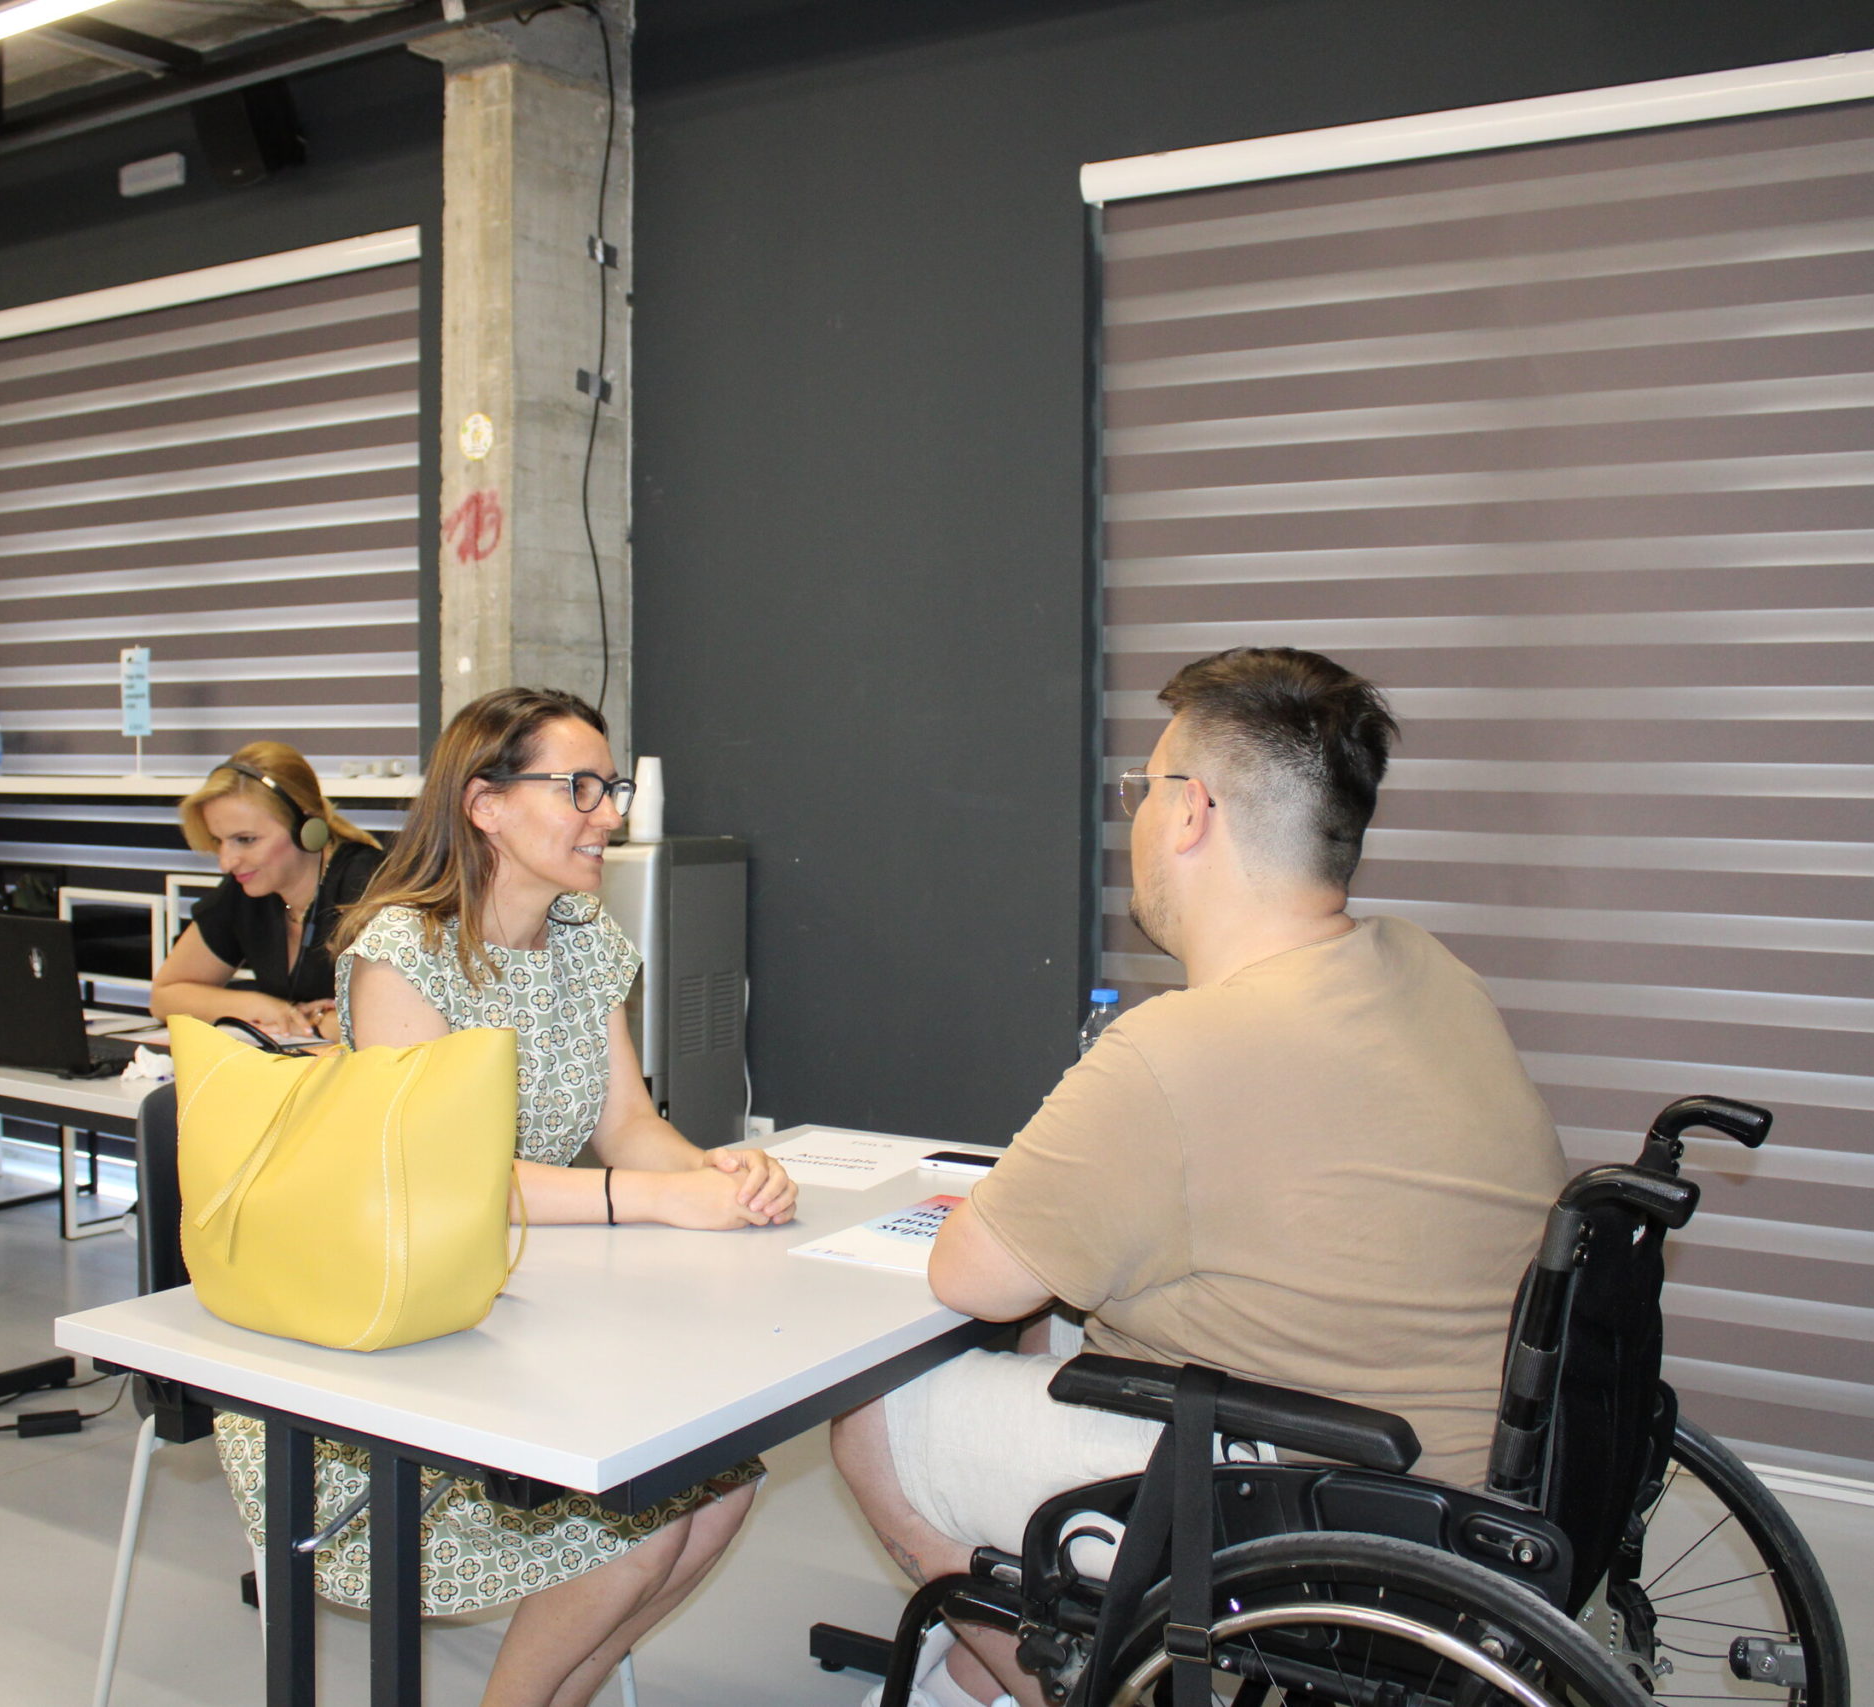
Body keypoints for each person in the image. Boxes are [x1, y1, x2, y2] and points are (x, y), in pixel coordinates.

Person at [831, 647, 1570, 1707]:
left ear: (1189, 811)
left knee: (878, 1421)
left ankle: (1056, 1687)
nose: (1134, 814)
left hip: (1314, 1502)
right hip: (1480, 1478)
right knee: (1059, 1338)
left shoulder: (1176, 1050)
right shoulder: (1427, 967)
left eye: (1143, 787)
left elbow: (972, 1277)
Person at [211, 687, 799, 1707]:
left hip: (527, 1307)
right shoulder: (401, 955)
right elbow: (452, 1185)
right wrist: (656, 1201)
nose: (606, 814)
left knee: (718, 1491)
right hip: (399, 1353)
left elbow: (627, 1122)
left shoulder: (581, 934)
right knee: (646, 1516)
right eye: (578, 788)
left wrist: (714, 1173)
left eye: (609, 788)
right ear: (484, 805)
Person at [150, 743, 384, 1039]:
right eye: (219, 841)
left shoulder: (372, 886)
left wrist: (317, 1022)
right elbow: (165, 997)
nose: (226, 862)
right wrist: (262, 1007)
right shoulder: (248, 886)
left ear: (306, 827)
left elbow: (401, 1018)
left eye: (246, 840)